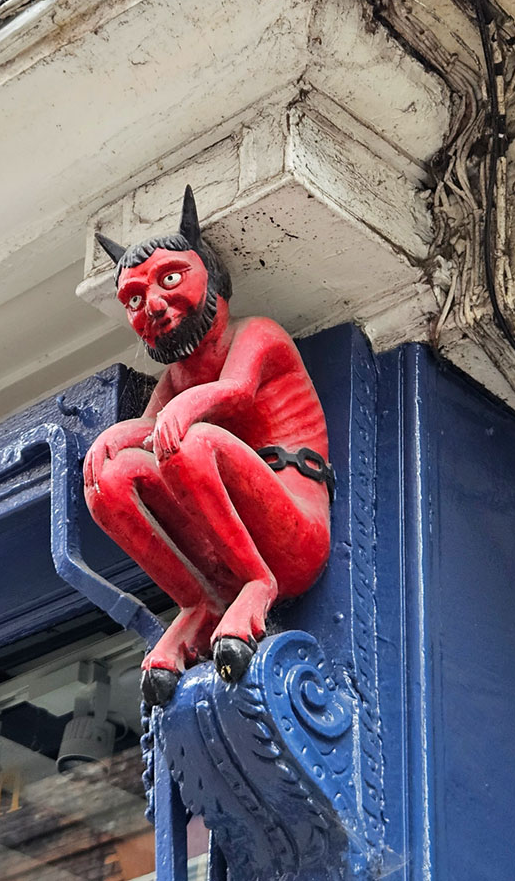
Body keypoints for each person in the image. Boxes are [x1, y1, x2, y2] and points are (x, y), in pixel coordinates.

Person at [83, 187, 333, 705]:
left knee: (189, 443)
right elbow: (147, 434)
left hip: (293, 534)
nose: (153, 304)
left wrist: (185, 409)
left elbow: (235, 391)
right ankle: (198, 604)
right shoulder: (176, 380)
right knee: (110, 479)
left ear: (210, 278)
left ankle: (256, 587)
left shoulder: (258, 334)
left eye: (169, 279)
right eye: (134, 298)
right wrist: (110, 441)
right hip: (230, 542)